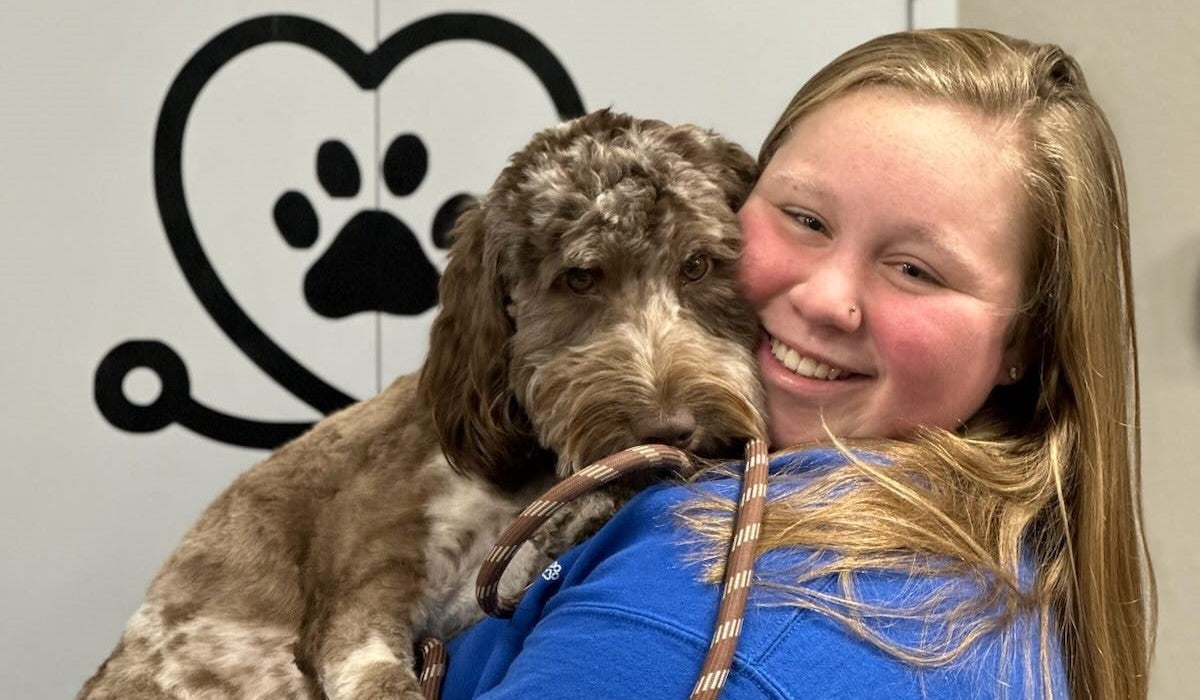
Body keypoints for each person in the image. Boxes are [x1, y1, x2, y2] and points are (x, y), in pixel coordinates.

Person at [441, 28, 1154, 699]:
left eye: (914, 269)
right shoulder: (1015, 569)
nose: (824, 299)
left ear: (1026, 340)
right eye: (806, 220)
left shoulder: (705, 593)